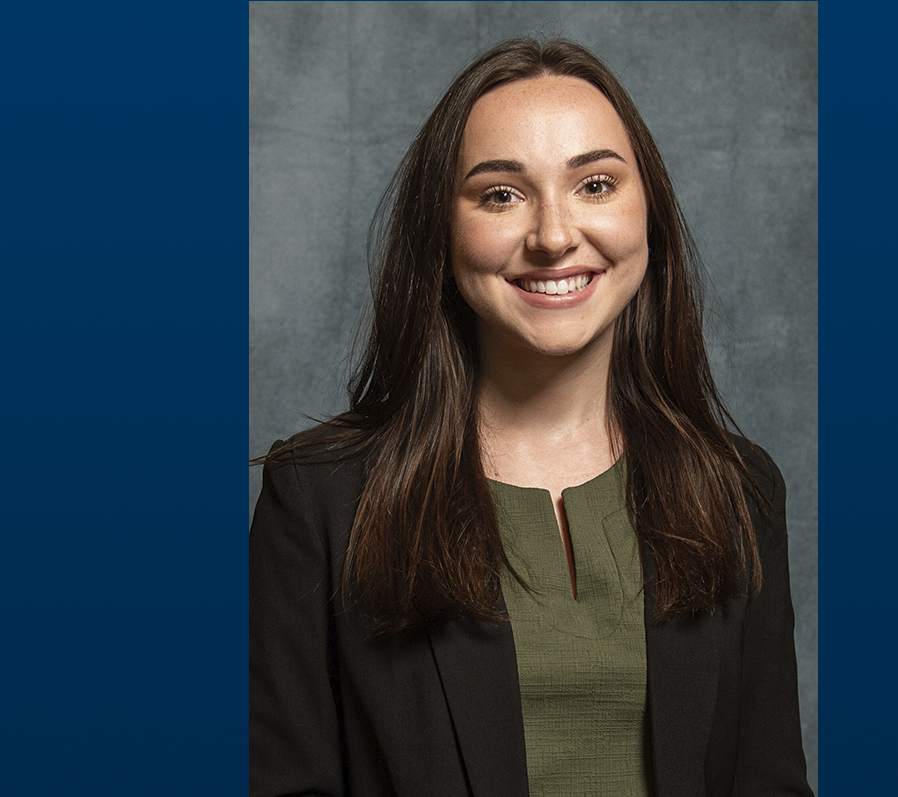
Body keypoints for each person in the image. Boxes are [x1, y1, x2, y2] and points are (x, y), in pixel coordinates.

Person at [250, 38, 813, 797]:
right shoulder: (320, 498)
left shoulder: (739, 491)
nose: (553, 236)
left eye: (595, 184)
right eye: (500, 195)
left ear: (649, 213)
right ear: (442, 233)